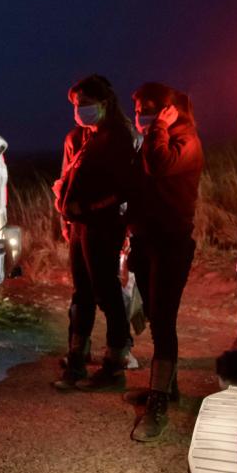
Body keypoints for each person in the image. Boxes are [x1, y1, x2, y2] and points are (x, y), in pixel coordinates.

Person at [126, 82, 203, 442]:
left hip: (171, 244)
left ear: (168, 110)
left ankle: (159, 404)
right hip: (145, 242)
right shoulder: (151, 139)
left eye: (148, 109)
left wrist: (158, 128)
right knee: (156, 318)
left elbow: (159, 167)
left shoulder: (185, 141)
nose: (141, 115)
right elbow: (140, 187)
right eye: (138, 109)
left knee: (164, 322)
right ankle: (166, 388)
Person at [51, 75, 136, 392]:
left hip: (102, 225)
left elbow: (123, 189)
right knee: (82, 290)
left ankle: (115, 362)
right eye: (75, 105)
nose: (79, 110)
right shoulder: (81, 137)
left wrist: (90, 208)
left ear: (104, 104)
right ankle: (77, 358)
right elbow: (68, 178)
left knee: (106, 291)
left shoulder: (116, 139)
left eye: (85, 104)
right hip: (79, 225)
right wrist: (66, 214)